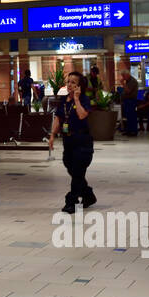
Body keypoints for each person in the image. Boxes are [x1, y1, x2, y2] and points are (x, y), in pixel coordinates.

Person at [47, 71, 95, 214]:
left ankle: (72, 202)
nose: (69, 84)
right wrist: (52, 135)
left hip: (82, 141)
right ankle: (88, 195)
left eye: (73, 82)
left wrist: (77, 99)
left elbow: (82, 115)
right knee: (71, 167)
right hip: (68, 141)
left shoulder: (85, 100)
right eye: (68, 82)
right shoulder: (63, 101)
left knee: (78, 172)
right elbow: (58, 119)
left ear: (80, 86)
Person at [120, 70, 139, 136]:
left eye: (123, 76)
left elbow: (128, 91)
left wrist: (123, 84)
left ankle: (133, 131)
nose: (123, 77)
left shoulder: (132, 81)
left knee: (131, 116)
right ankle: (128, 130)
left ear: (127, 75)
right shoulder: (128, 81)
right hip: (126, 101)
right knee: (127, 116)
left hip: (131, 100)